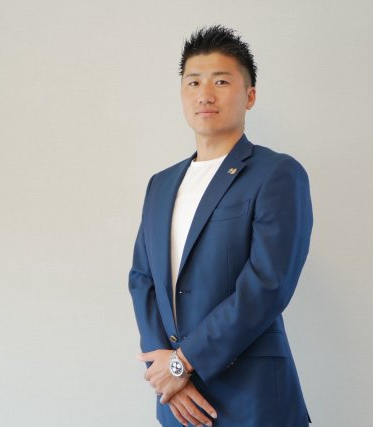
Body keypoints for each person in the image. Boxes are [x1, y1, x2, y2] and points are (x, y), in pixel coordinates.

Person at [129, 25, 313, 427]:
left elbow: (268, 284)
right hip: (178, 402)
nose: (205, 94)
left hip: (252, 399)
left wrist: (182, 363)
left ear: (250, 96)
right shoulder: (161, 184)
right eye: (193, 82)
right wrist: (165, 371)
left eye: (221, 81)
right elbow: (142, 279)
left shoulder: (277, 173)